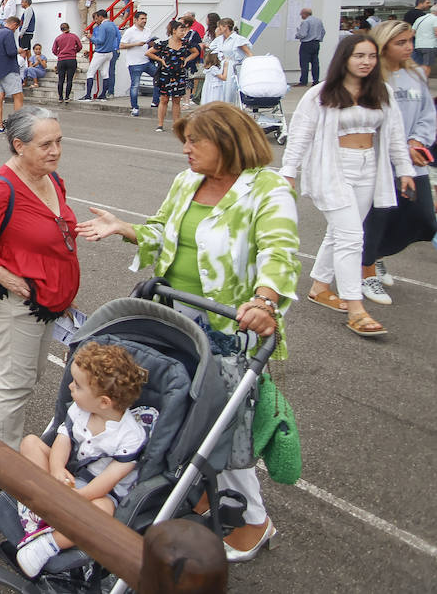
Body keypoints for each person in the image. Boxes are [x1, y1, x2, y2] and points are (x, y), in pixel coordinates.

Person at [76, 103, 298, 561]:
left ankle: (254, 522)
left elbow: (280, 252)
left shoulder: (268, 190)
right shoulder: (186, 182)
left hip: (227, 326)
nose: (186, 149)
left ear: (228, 142)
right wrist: (127, 229)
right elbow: (162, 231)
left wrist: (265, 300)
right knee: (180, 413)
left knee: (222, 426)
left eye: (196, 140)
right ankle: (203, 495)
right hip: (177, 321)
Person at [0, 107, 79, 448]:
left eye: (58, 141)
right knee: (16, 382)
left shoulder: (51, 178)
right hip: (16, 302)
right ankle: (4, 464)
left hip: (46, 300)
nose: (55, 151)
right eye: (45, 144)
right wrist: (4, 276)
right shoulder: (0, 189)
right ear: (19, 145)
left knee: (32, 374)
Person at [281, 34, 415, 338]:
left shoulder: (383, 93)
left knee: (340, 233)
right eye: (359, 56)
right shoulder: (321, 93)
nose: (366, 62)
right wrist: (289, 170)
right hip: (333, 168)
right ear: (344, 58)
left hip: (369, 168)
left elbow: (394, 135)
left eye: (370, 56)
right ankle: (357, 310)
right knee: (352, 237)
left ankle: (319, 286)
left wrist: (405, 170)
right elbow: (300, 135)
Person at [14, 342, 149, 577]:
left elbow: (110, 479)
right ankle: (46, 508)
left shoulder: (130, 436)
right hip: (68, 476)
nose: (70, 387)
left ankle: (49, 543)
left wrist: (77, 497)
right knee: (30, 443)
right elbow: (63, 441)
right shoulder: (79, 410)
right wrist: (56, 469)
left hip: (97, 492)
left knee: (104, 511)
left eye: (77, 385)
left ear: (104, 402)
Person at [360, 21, 437, 304]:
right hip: (382, 161)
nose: (409, 48)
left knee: (424, 219)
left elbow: (429, 114)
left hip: (414, 160)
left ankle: (378, 254)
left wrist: (417, 141)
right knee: (377, 218)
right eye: (401, 42)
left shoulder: (416, 74)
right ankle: (366, 271)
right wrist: (400, 146)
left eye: (410, 41)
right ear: (384, 45)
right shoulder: (373, 78)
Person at [146, 19, 199, 133]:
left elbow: (196, 52)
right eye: (181, 30)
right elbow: (149, 52)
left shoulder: (185, 44)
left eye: (184, 30)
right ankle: (160, 124)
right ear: (174, 31)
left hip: (179, 74)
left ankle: (176, 124)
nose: (183, 32)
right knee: (164, 99)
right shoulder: (163, 44)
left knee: (177, 100)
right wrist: (160, 60)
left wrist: (186, 60)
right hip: (166, 74)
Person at [0, 16, 23, 133]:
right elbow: (11, 51)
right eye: (16, 27)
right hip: (8, 69)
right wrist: (19, 50)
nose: (15, 30)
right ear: (14, 24)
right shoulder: (8, 33)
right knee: (18, 95)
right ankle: (17, 125)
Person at [209, 18, 252, 104]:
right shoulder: (220, 39)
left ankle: (231, 106)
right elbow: (212, 48)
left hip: (232, 66)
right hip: (221, 65)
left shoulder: (237, 39)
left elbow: (249, 53)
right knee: (219, 90)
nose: (218, 29)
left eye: (220, 27)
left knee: (230, 89)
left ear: (226, 27)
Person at [79, 11, 120, 101]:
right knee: (105, 73)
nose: (96, 20)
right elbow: (118, 36)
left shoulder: (102, 26)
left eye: (97, 18)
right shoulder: (112, 25)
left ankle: (88, 96)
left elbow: (100, 41)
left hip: (100, 52)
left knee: (90, 73)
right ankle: (103, 95)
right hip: (110, 52)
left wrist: (90, 37)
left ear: (101, 17)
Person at [120, 11, 154, 117]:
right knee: (135, 85)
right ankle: (134, 107)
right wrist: (136, 44)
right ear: (136, 20)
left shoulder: (148, 30)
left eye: (145, 19)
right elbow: (121, 45)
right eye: (142, 19)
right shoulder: (130, 31)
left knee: (159, 77)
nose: (144, 21)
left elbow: (150, 44)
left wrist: (152, 44)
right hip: (134, 63)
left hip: (147, 60)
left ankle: (155, 101)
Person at [294, 8, 325, 87]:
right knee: (315, 63)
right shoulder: (318, 21)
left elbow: (303, 34)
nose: (301, 16)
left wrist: (297, 35)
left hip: (306, 44)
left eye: (301, 14)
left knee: (304, 63)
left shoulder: (305, 22)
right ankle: (315, 81)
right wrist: (319, 39)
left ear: (305, 14)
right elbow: (323, 31)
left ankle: (303, 81)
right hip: (316, 43)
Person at [51, 23, 81, 104]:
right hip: (71, 59)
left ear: (61, 29)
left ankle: (60, 97)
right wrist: (75, 51)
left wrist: (59, 54)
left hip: (61, 60)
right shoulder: (74, 36)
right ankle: (67, 97)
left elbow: (54, 50)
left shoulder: (58, 38)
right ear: (69, 28)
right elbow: (80, 46)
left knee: (61, 79)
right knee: (69, 80)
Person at [413, 4, 437, 78]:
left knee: (420, 65)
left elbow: (412, 32)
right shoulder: (435, 19)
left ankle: (417, 80)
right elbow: (436, 32)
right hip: (430, 45)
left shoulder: (420, 19)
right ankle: (423, 83)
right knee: (427, 66)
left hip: (418, 45)